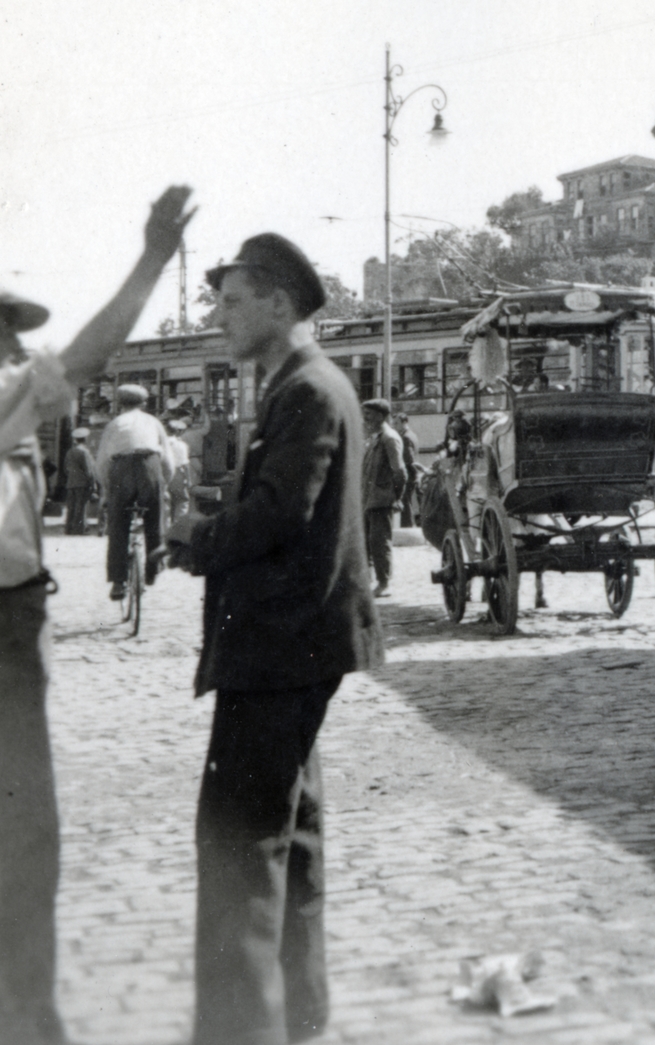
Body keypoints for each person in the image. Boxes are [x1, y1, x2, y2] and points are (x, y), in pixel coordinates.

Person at [164, 232, 382, 1045]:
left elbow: (280, 514)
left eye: (230, 300)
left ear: (279, 303)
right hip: (299, 643)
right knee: (292, 836)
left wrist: (197, 534)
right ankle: (300, 1016)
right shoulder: (310, 383)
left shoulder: (305, 390)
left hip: (280, 645)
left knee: (238, 846)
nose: (218, 316)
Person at [0, 185, 194, 1045]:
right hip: (7, 624)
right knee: (24, 828)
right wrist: (153, 258)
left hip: (18, 615)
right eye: (5, 332)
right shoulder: (9, 394)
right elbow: (84, 352)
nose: (17, 348)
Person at [95, 384, 172, 599]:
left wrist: (106, 490)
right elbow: (168, 460)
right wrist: (163, 486)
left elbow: (101, 462)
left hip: (122, 470)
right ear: (144, 403)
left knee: (118, 525)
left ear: (119, 403)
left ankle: (118, 583)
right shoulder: (154, 422)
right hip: (150, 466)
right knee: (154, 520)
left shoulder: (114, 424)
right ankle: (153, 570)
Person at [360, 398, 405, 596]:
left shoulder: (389, 438)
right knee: (366, 542)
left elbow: (400, 472)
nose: (364, 417)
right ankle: (366, 582)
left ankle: (383, 583)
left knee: (379, 542)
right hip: (368, 499)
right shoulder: (374, 437)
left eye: (368, 413)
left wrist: (396, 496)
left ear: (381, 415)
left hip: (381, 499)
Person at [61, 428, 95, 536]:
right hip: (82, 483)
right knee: (81, 506)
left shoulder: (69, 452)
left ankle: (68, 529)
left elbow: (65, 468)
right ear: (85, 439)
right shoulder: (84, 452)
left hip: (71, 482)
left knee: (71, 506)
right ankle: (79, 529)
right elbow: (88, 469)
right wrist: (92, 483)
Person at [164, 417, 191, 522]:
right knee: (182, 501)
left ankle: (165, 530)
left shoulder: (160, 444)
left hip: (163, 474)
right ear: (178, 432)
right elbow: (185, 464)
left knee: (165, 503)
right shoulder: (181, 445)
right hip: (177, 474)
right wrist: (188, 480)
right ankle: (178, 528)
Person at [394, 411, 419, 528]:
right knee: (407, 500)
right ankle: (409, 525)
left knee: (405, 501)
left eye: (396, 423)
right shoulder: (412, 435)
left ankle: (407, 527)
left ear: (404, 422)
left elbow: (408, 458)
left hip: (408, 473)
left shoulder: (405, 438)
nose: (394, 426)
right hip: (413, 473)